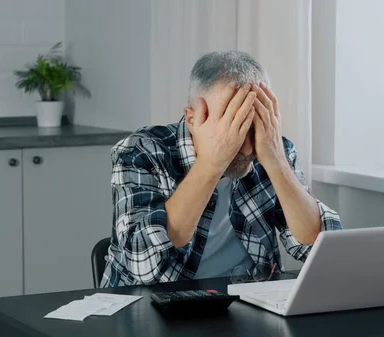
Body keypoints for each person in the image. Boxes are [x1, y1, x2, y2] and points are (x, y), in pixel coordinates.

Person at [100, 51, 342, 287]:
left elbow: (321, 250)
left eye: (251, 125)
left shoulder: (272, 148)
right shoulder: (140, 150)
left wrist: (277, 159)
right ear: (192, 119)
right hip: (150, 310)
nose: (246, 149)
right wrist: (211, 162)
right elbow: (141, 265)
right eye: (230, 124)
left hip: (245, 308)